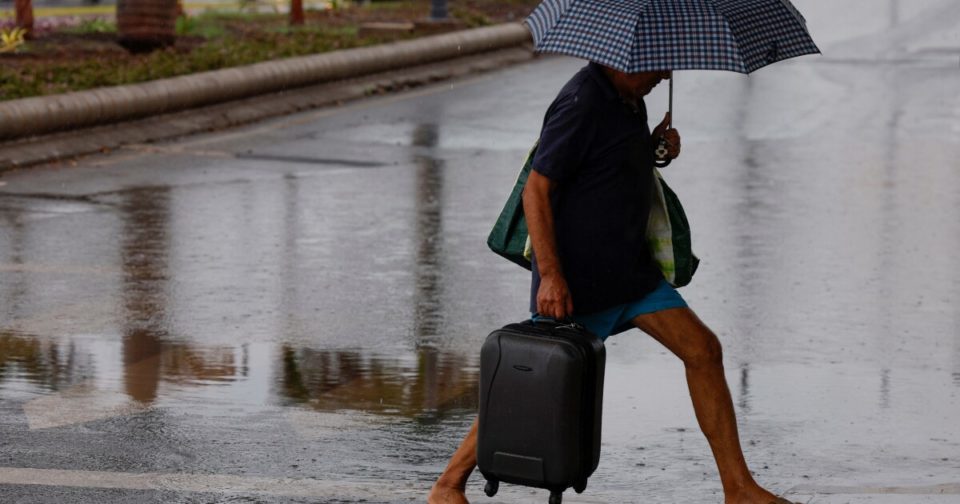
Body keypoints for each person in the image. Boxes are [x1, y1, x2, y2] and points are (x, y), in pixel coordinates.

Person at [428, 62, 793, 504]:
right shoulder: (581, 102)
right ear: (624, 59)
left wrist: (654, 150)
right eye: (657, 65)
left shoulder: (630, 98)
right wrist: (553, 277)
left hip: (629, 273)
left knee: (704, 351)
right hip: (581, 280)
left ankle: (738, 489)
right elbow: (536, 189)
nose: (664, 75)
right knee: (533, 380)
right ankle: (448, 485)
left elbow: (609, 166)